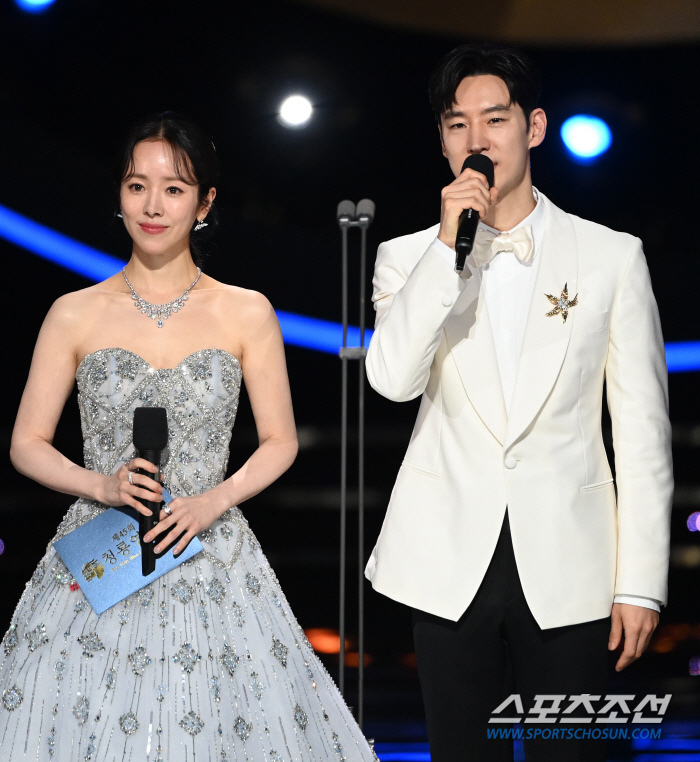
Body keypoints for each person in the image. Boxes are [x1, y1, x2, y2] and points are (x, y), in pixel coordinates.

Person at [1, 113, 376, 762]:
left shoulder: (246, 310)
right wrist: (102, 484)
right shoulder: (73, 313)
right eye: (135, 185)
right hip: (100, 548)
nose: (152, 205)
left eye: (173, 189)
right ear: (118, 195)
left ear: (205, 203)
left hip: (212, 548)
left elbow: (279, 441)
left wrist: (213, 501)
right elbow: (26, 441)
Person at [364, 43, 673, 761]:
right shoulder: (408, 259)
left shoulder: (610, 257)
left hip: (572, 561)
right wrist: (448, 251)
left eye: (494, 120)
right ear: (442, 141)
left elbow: (642, 433)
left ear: (532, 128)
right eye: (456, 125)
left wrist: (642, 585)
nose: (477, 141)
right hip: (447, 563)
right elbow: (391, 379)